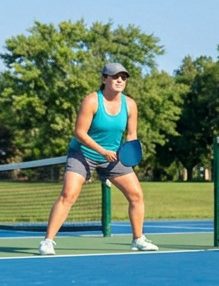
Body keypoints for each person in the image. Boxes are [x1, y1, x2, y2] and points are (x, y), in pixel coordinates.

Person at [39, 62, 158, 255]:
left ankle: (138, 239)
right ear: (104, 79)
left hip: (113, 156)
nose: (120, 80)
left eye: (123, 77)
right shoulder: (92, 101)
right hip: (83, 153)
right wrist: (102, 151)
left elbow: (131, 135)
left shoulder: (130, 104)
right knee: (68, 194)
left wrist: (130, 152)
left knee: (136, 195)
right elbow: (79, 133)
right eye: (115, 76)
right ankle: (48, 241)